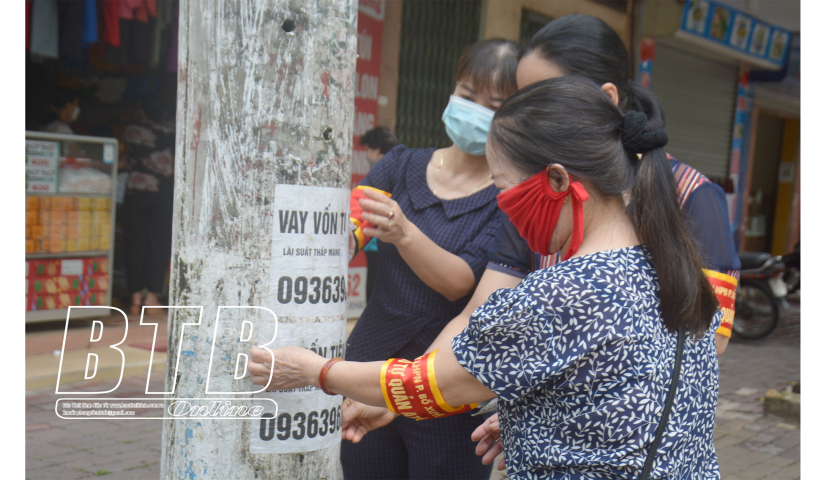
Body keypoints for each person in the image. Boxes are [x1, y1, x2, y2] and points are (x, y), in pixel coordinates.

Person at [249, 76, 723, 478]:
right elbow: (637, 399)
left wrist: (315, 371)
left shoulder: (565, 292)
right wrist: (533, 420)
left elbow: (434, 384)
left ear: (558, 181)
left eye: (504, 188)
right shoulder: (673, 271)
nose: (504, 208)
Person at [345, 14, 743, 472]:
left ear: (604, 98)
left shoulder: (692, 195)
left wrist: (564, 401)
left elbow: (704, 346)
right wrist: (408, 396)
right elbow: (477, 314)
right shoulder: (532, 198)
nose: (523, 111)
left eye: (541, 95)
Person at [331, 38, 519, 480]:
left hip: (447, 386)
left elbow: (460, 282)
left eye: (494, 105)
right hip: (368, 370)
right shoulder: (399, 165)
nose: (475, 110)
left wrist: (404, 233)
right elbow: (345, 234)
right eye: (467, 94)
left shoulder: (508, 198)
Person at [122, 93, 175, 316]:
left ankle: (135, 297)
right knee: (158, 244)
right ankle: (152, 297)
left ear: (141, 110)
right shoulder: (171, 134)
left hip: (136, 193)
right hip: (162, 195)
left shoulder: (132, 132)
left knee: (134, 243)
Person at [357, 126, 400, 301]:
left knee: (374, 289)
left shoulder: (382, 171)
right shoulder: (399, 168)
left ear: (377, 149)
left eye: (368, 149)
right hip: (391, 238)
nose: (367, 154)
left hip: (377, 238)